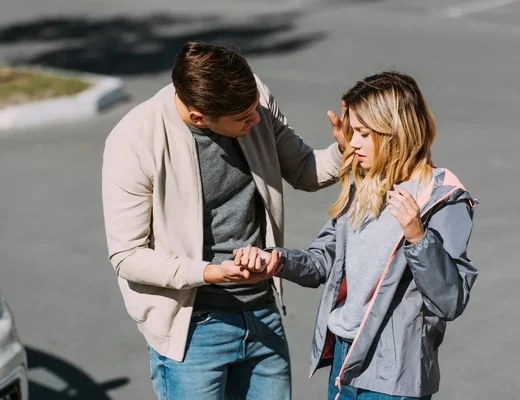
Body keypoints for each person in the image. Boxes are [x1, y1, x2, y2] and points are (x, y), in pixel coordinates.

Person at [101, 41, 345, 400]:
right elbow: (127, 256)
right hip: (192, 330)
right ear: (199, 116)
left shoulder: (253, 97)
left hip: (262, 314)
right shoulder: (134, 140)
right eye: (244, 119)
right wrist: (212, 273)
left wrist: (345, 149)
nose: (257, 119)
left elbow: (306, 171)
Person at [233, 71, 478, 400]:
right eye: (352, 132)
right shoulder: (364, 184)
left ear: (394, 132)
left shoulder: (441, 197)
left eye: (363, 133)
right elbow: (324, 262)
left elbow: (450, 300)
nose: (353, 143)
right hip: (344, 361)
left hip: (393, 378)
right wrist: (276, 260)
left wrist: (418, 238)